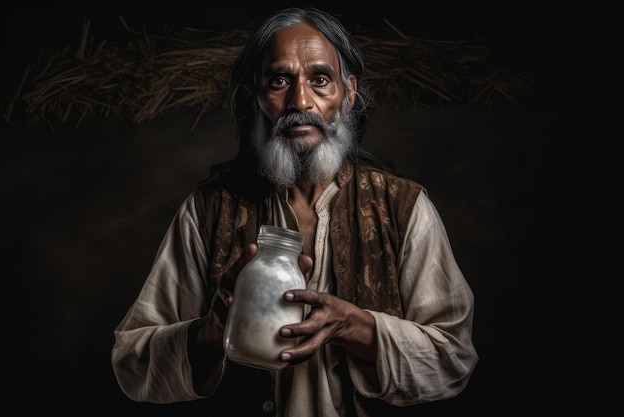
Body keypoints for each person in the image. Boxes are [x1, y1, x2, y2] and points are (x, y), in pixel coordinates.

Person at [111, 6, 478, 416]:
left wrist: (354, 326)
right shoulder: (207, 212)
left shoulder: (403, 209)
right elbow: (131, 365)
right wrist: (211, 331)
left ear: (349, 92)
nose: (300, 100)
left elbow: (453, 360)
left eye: (320, 79)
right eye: (279, 80)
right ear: (257, 94)